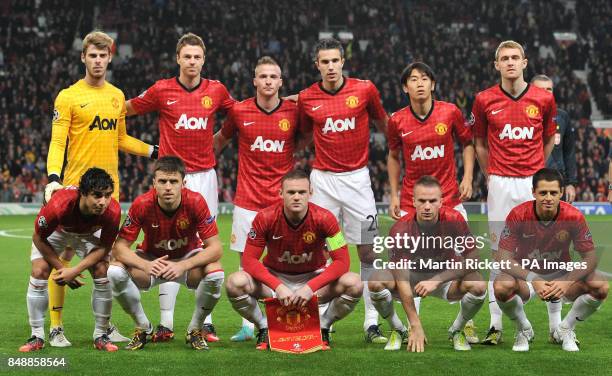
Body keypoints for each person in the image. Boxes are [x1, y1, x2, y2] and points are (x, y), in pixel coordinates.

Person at [44, 31, 154, 347]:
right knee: (61, 257)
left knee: (102, 263)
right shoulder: (67, 96)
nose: (97, 60)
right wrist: (53, 177)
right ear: (83, 57)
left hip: (109, 195)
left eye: (102, 55)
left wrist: (152, 150)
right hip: (74, 192)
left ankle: (102, 329)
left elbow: (120, 139)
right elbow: (58, 140)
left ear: (109, 57)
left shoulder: (117, 96)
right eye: (92, 55)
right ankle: (55, 326)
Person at [126, 32, 235, 342]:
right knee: (166, 242)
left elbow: (240, 113)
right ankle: (165, 323)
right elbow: (127, 108)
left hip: (204, 176)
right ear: (177, 59)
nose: (192, 61)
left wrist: (220, 143)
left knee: (201, 246)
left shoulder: (216, 90)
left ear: (203, 59)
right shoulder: (162, 90)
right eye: (186, 56)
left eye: (197, 57)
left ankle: (206, 323)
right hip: (171, 175)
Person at [297, 38, 389, 343]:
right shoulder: (308, 98)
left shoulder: (365, 89)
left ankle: (371, 322)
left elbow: (383, 123)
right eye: (325, 62)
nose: (331, 66)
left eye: (335, 60)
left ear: (343, 61)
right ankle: (324, 320)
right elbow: (303, 135)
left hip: (358, 182)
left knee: (368, 250)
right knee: (321, 251)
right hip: (323, 181)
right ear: (317, 65)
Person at [472, 40, 557, 344]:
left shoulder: (543, 99)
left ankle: (555, 326)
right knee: (500, 254)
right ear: (496, 65)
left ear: (525, 62)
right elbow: (479, 144)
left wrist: (537, 173)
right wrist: (490, 174)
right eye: (504, 58)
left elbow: (548, 139)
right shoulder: (483, 100)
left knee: (546, 251)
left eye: (515, 57)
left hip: (532, 184)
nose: (509, 62)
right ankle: (496, 326)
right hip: (500, 182)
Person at [225, 169, 363, 350]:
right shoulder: (265, 217)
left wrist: (309, 288)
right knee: (234, 282)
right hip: (275, 278)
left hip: (314, 280)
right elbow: (249, 260)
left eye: (302, 192)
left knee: (355, 283)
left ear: (310, 193)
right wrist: (278, 286)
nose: (296, 197)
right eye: (291, 192)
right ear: (281, 193)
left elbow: (342, 262)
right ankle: (265, 327)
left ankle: (322, 327)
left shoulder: (325, 218)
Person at [213, 56, 299, 341]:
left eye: (273, 77)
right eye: (263, 77)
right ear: (254, 81)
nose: (268, 82)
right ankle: (250, 326)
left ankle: (282, 320)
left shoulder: (293, 112)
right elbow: (220, 140)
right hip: (247, 201)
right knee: (245, 264)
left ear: (281, 82)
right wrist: (197, 161)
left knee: (280, 263)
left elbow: (308, 137)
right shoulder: (239, 111)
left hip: (280, 204)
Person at [107, 156, 224, 351]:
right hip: (152, 261)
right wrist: (146, 265)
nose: (168, 187)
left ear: (183, 183)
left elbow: (216, 248)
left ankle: (195, 329)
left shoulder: (195, 201)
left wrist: (182, 265)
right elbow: (119, 248)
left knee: (216, 272)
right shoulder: (142, 204)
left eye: (173, 181)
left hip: (186, 261)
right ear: (154, 183)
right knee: (114, 271)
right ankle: (143, 327)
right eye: (162, 181)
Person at [494, 168, 608, 352]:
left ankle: (565, 329)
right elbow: (503, 257)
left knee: (600, 284)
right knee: (501, 285)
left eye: (554, 193)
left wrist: (567, 281)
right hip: (527, 278)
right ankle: (523, 328)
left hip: (561, 277)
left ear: (561, 193)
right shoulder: (518, 214)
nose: (548, 198)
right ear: (533, 192)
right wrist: (533, 278)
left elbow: (591, 257)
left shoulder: (573, 216)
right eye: (543, 193)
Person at [369, 176, 486, 352]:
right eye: (422, 201)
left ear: (441, 201)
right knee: (376, 280)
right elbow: (401, 278)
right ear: (413, 201)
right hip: (412, 279)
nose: (427, 206)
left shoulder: (454, 218)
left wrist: (437, 280)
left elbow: (474, 259)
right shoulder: (400, 229)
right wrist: (415, 324)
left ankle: (457, 330)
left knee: (478, 284)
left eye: (432, 201)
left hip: (445, 278)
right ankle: (399, 329)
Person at [20, 168, 122, 352]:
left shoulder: (113, 211)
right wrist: (61, 268)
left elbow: (105, 247)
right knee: (39, 271)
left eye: (107, 195)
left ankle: (101, 335)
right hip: (58, 232)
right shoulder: (60, 203)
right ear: (83, 193)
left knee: (102, 270)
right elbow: (38, 237)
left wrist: (74, 271)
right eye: (97, 195)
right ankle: (37, 336)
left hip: (89, 234)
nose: (103, 202)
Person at [531, 75, 577, 203]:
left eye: (549, 89)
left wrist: (570, 183)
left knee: (557, 223)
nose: (545, 93)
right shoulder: (522, 115)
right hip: (528, 181)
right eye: (540, 89)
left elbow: (569, 152)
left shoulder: (562, 117)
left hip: (557, 182)